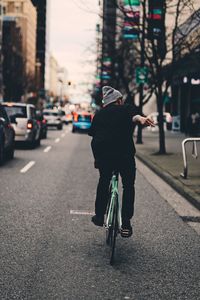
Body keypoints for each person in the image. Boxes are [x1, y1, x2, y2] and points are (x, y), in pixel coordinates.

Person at [88, 86, 155, 238]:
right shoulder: (126, 109)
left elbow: (94, 138)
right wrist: (142, 119)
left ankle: (99, 216)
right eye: (121, 100)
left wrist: (97, 159)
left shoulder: (99, 115)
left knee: (104, 181)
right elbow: (135, 117)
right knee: (128, 186)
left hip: (104, 156)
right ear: (118, 100)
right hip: (124, 156)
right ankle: (125, 223)